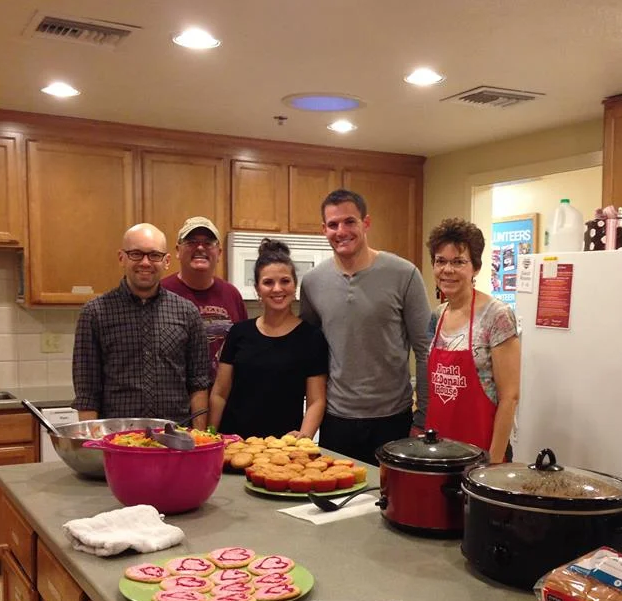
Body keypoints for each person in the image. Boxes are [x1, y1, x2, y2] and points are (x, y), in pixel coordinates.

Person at [299, 189, 431, 465]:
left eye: (350, 222)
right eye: (333, 225)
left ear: (366, 223)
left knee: (391, 503)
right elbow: (311, 355)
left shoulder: (404, 274)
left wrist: (422, 417)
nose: (341, 231)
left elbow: (424, 349)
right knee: (338, 503)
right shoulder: (312, 282)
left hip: (393, 419)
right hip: (336, 420)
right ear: (324, 229)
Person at [72, 223, 211, 427]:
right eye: (136, 254)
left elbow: (198, 384)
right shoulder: (95, 313)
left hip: (176, 439)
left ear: (166, 261)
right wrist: (92, 444)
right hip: (117, 440)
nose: (146, 262)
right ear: (122, 258)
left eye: (154, 255)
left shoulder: (187, 312)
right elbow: (87, 392)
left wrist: (199, 438)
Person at [209, 239, 328, 439]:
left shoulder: (312, 337)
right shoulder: (239, 333)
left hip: (281, 448)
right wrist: (210, 436)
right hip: (234, 443)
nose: (277, 289)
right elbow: (220, 393)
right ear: (257, 289)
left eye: (284, 281)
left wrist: (304, 437)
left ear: (294, 285)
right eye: (268, 282)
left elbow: (317, 400)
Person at [426, 218, 520, 463]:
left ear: (475, 267)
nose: (447, 270)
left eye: (458, 262)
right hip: (440, 452)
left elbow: (510, 396)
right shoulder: (438, 315)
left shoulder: (496, 315)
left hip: (482, 453)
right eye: (440, 261)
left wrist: (493, 463)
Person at [161, 216, 247, 379]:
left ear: (219, 252)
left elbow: (242, 351)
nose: (200, 247)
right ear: (178, 250)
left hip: (224, 398)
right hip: (176, 399)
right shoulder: (161, 292)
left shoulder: (232, 295)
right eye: (191, 241)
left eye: (208, 243)